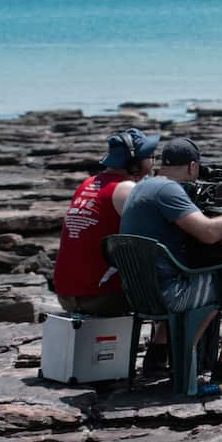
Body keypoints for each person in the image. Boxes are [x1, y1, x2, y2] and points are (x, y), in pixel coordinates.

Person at [119, 137, 222, 381]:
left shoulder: (143, 186)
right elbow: (209, 233)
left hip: (140, 294)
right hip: (170, 295)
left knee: (211, 276)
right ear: (192, 167)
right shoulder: (168, 190)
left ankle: (159, 355)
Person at [53, 128, 160, 316]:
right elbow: (161, 234)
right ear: (134, 164)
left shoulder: (87, 184)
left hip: (66, 294)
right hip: (101, 296)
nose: (153, 162)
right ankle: (163, 345)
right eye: (150, 156)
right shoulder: (126, 189)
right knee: (179, 290)